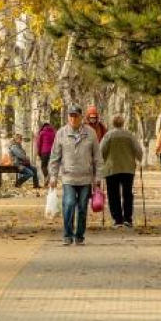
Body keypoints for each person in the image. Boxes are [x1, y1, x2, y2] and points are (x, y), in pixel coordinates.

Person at [49, 104, 102, 246]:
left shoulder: (90, 133)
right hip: (68, 177)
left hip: (85, 178)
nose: (72, 118)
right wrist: (53, 176)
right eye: (70, 116)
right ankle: (67, 234)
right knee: (69, 204)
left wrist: (98, 177)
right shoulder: (61, 133)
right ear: (67, 117)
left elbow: (97, 157)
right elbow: (55, 157)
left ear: (81, 117)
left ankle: (79, 236)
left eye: (75, 116)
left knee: (83, 208)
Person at [100, 115, 143, 227]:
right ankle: (127, 218)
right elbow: (139, 151)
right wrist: (139, 158)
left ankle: (117, 219)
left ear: (112, 123)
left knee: (113, 194)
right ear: (123, 123)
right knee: (127, 193)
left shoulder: (108, 136)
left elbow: (101, 151)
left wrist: (102, 162)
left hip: (111, 168)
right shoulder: (130, 135)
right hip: (127, 168)